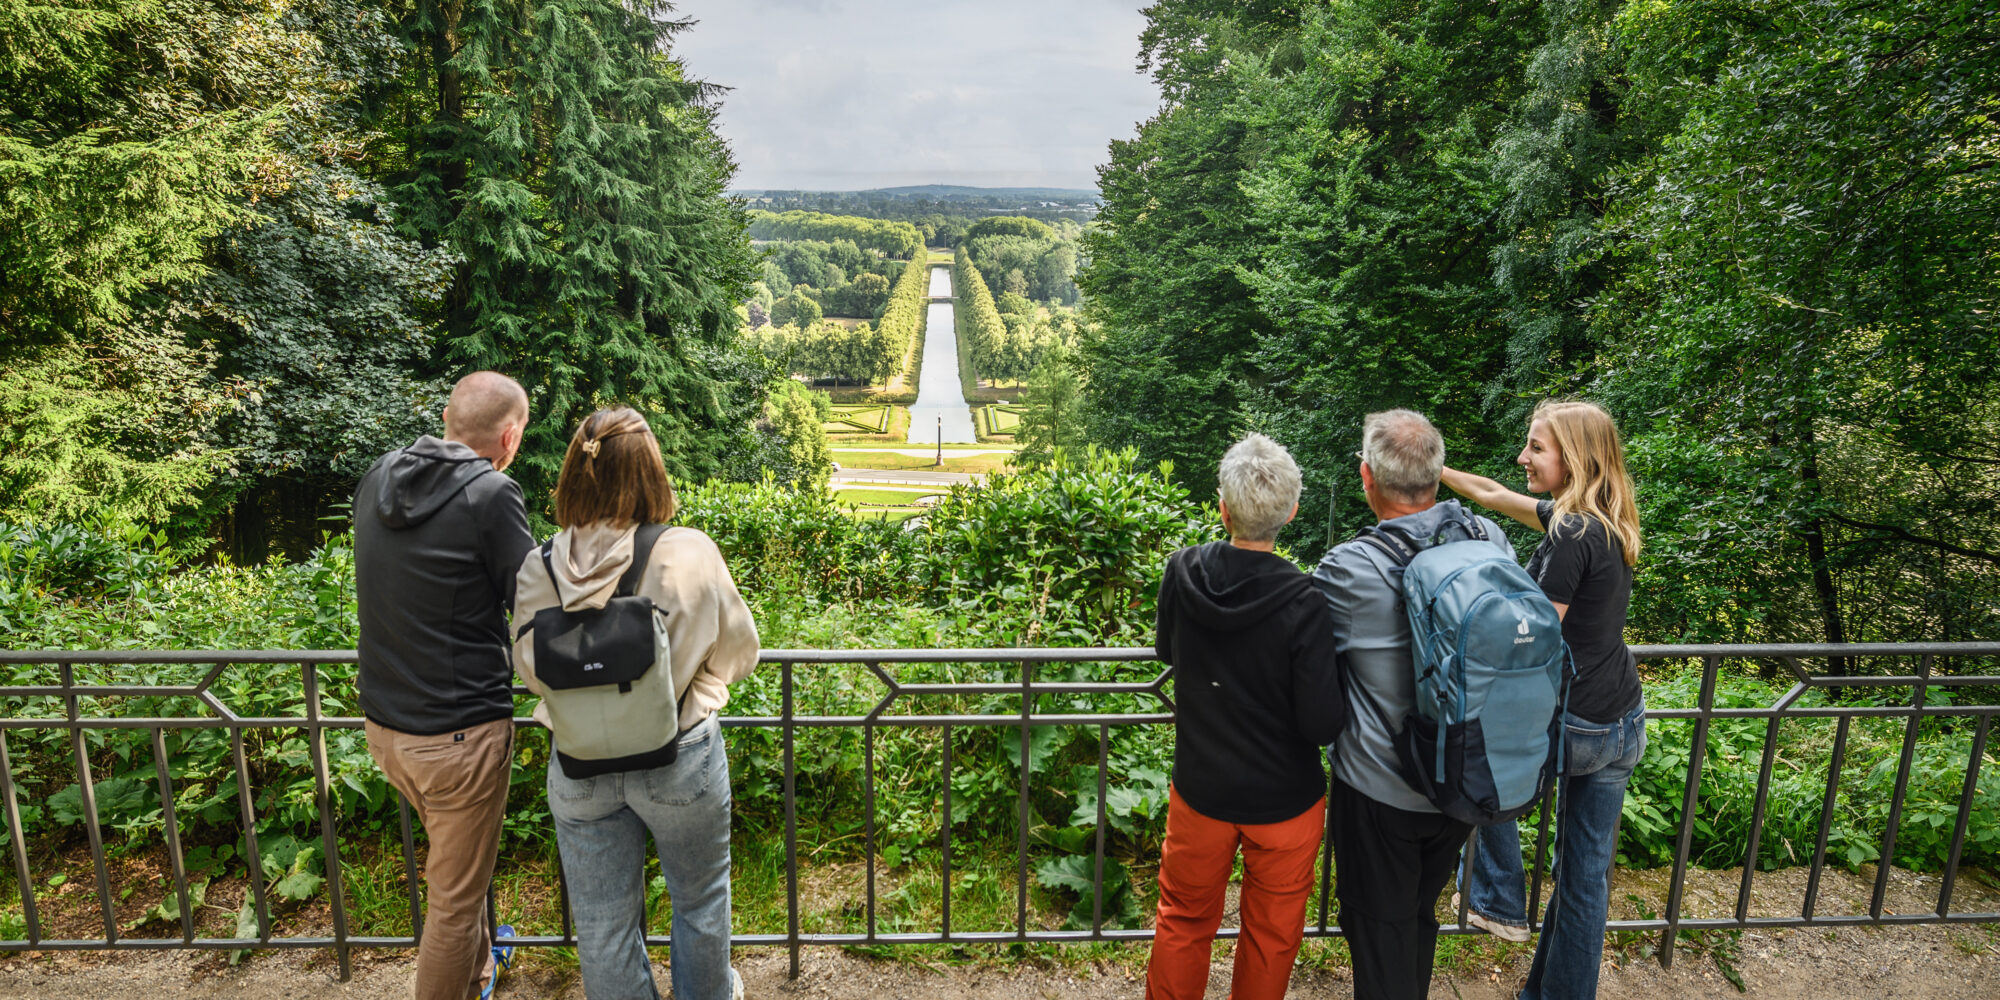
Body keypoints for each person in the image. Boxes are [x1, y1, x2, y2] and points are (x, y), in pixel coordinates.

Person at [510, 408, 760, 1000]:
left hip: (579, 763)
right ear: (653, 473)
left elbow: (529, 669)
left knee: (601, 924)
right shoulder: (687, 552)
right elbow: (741, 651)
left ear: (574, 472)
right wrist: (697, 684)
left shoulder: (538, 566)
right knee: (700, 903)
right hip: (679, 752)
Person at [1441, 399, 1646, 1000]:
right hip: (1622, 722)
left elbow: (1528, 639)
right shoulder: (1600, 517)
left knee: (1471, 751)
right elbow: (1495, 495)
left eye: (1536, 448)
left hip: (1578, 724)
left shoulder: (1571, 533)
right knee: (1585, 880)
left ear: (1573, 458)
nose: (1523, 457)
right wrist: (1439, 473)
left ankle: (1496, 897)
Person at [1312, 409, 1513, 1000]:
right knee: (1420, 916)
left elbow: (1299, 657)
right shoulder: (1490, 541)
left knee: (1378, 931)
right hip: (1464, 776)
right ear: (1437, 472)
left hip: (1380, 786)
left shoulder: (1348, 568)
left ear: (1366, 478)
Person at [353, 371, 536, 1000]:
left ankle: (481, 970)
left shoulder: (379, 477)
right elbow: (532, 605)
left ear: (449, 416)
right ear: (509, 436)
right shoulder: (492, 494)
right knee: (454, 906)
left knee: (464, 860)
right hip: (459, 735)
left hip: (386, 726)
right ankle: (460, 972)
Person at [1146, 432, 1346, 1000]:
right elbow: (1320, 724)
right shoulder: (1305, 601)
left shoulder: (1182, 572)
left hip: (1201, 791)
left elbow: (1166, 650)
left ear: (1222, 506)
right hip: (1284, 803)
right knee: (1271, 933)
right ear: (1291, 511)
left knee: (1183, 920)